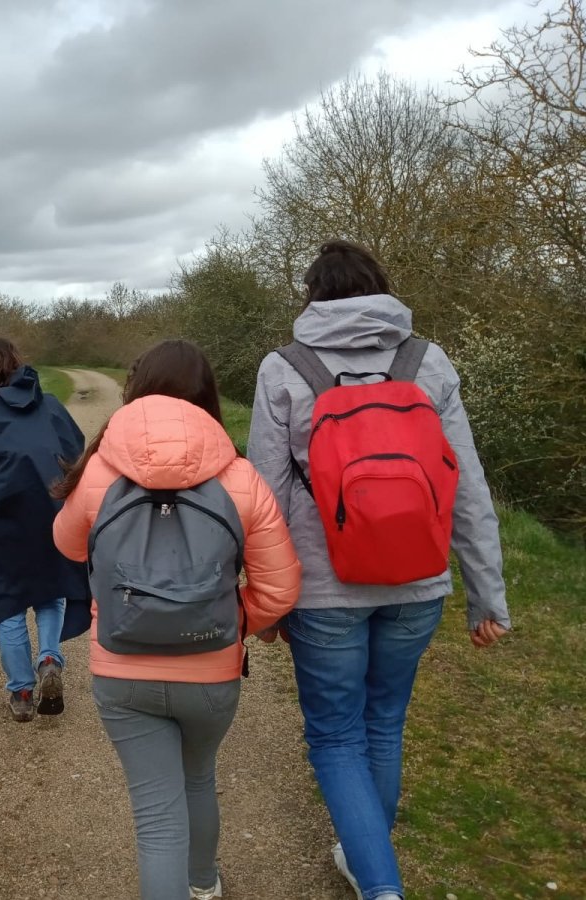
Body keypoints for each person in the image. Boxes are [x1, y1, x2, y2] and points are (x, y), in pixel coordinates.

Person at [246, 240, 511, 900]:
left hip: (321, 591)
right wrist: (487, 596)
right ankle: (367, 862)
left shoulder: (284, 369)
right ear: (379, 289)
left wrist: (267, 602)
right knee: (383, 722)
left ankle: (379, 884)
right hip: (419, 583)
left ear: (312, 296)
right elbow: (468, 486)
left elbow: (263, 497)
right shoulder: (429, 362)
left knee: (337, 738)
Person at [52, 339, 302, 900]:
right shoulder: (239, 476)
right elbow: (281, 588)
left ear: (136, 391)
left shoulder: (100, 471)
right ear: (206, 396)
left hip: (123, 670)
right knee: (198, 779)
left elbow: (66, 545)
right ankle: (204, 885)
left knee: (156, 817)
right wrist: (231, 622)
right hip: (210, 670)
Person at [0, 338, 91, 722]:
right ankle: (49, 659)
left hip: (0, 528)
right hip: (51, 518)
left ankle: (22, 692)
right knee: (51, 594)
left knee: (9, 606)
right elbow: (76, 454)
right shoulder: (52, 407)